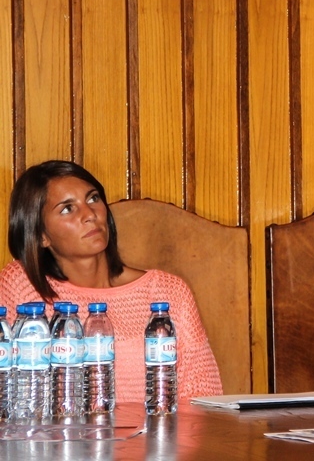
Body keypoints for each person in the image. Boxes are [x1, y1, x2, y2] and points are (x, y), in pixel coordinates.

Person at [0, 160, 223, 402]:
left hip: (157, 427)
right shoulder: (21, 285)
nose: (90, 215)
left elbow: (204, 395)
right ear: (41, 235)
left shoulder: (167, 292)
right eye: (67, 209)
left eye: (93, 198)